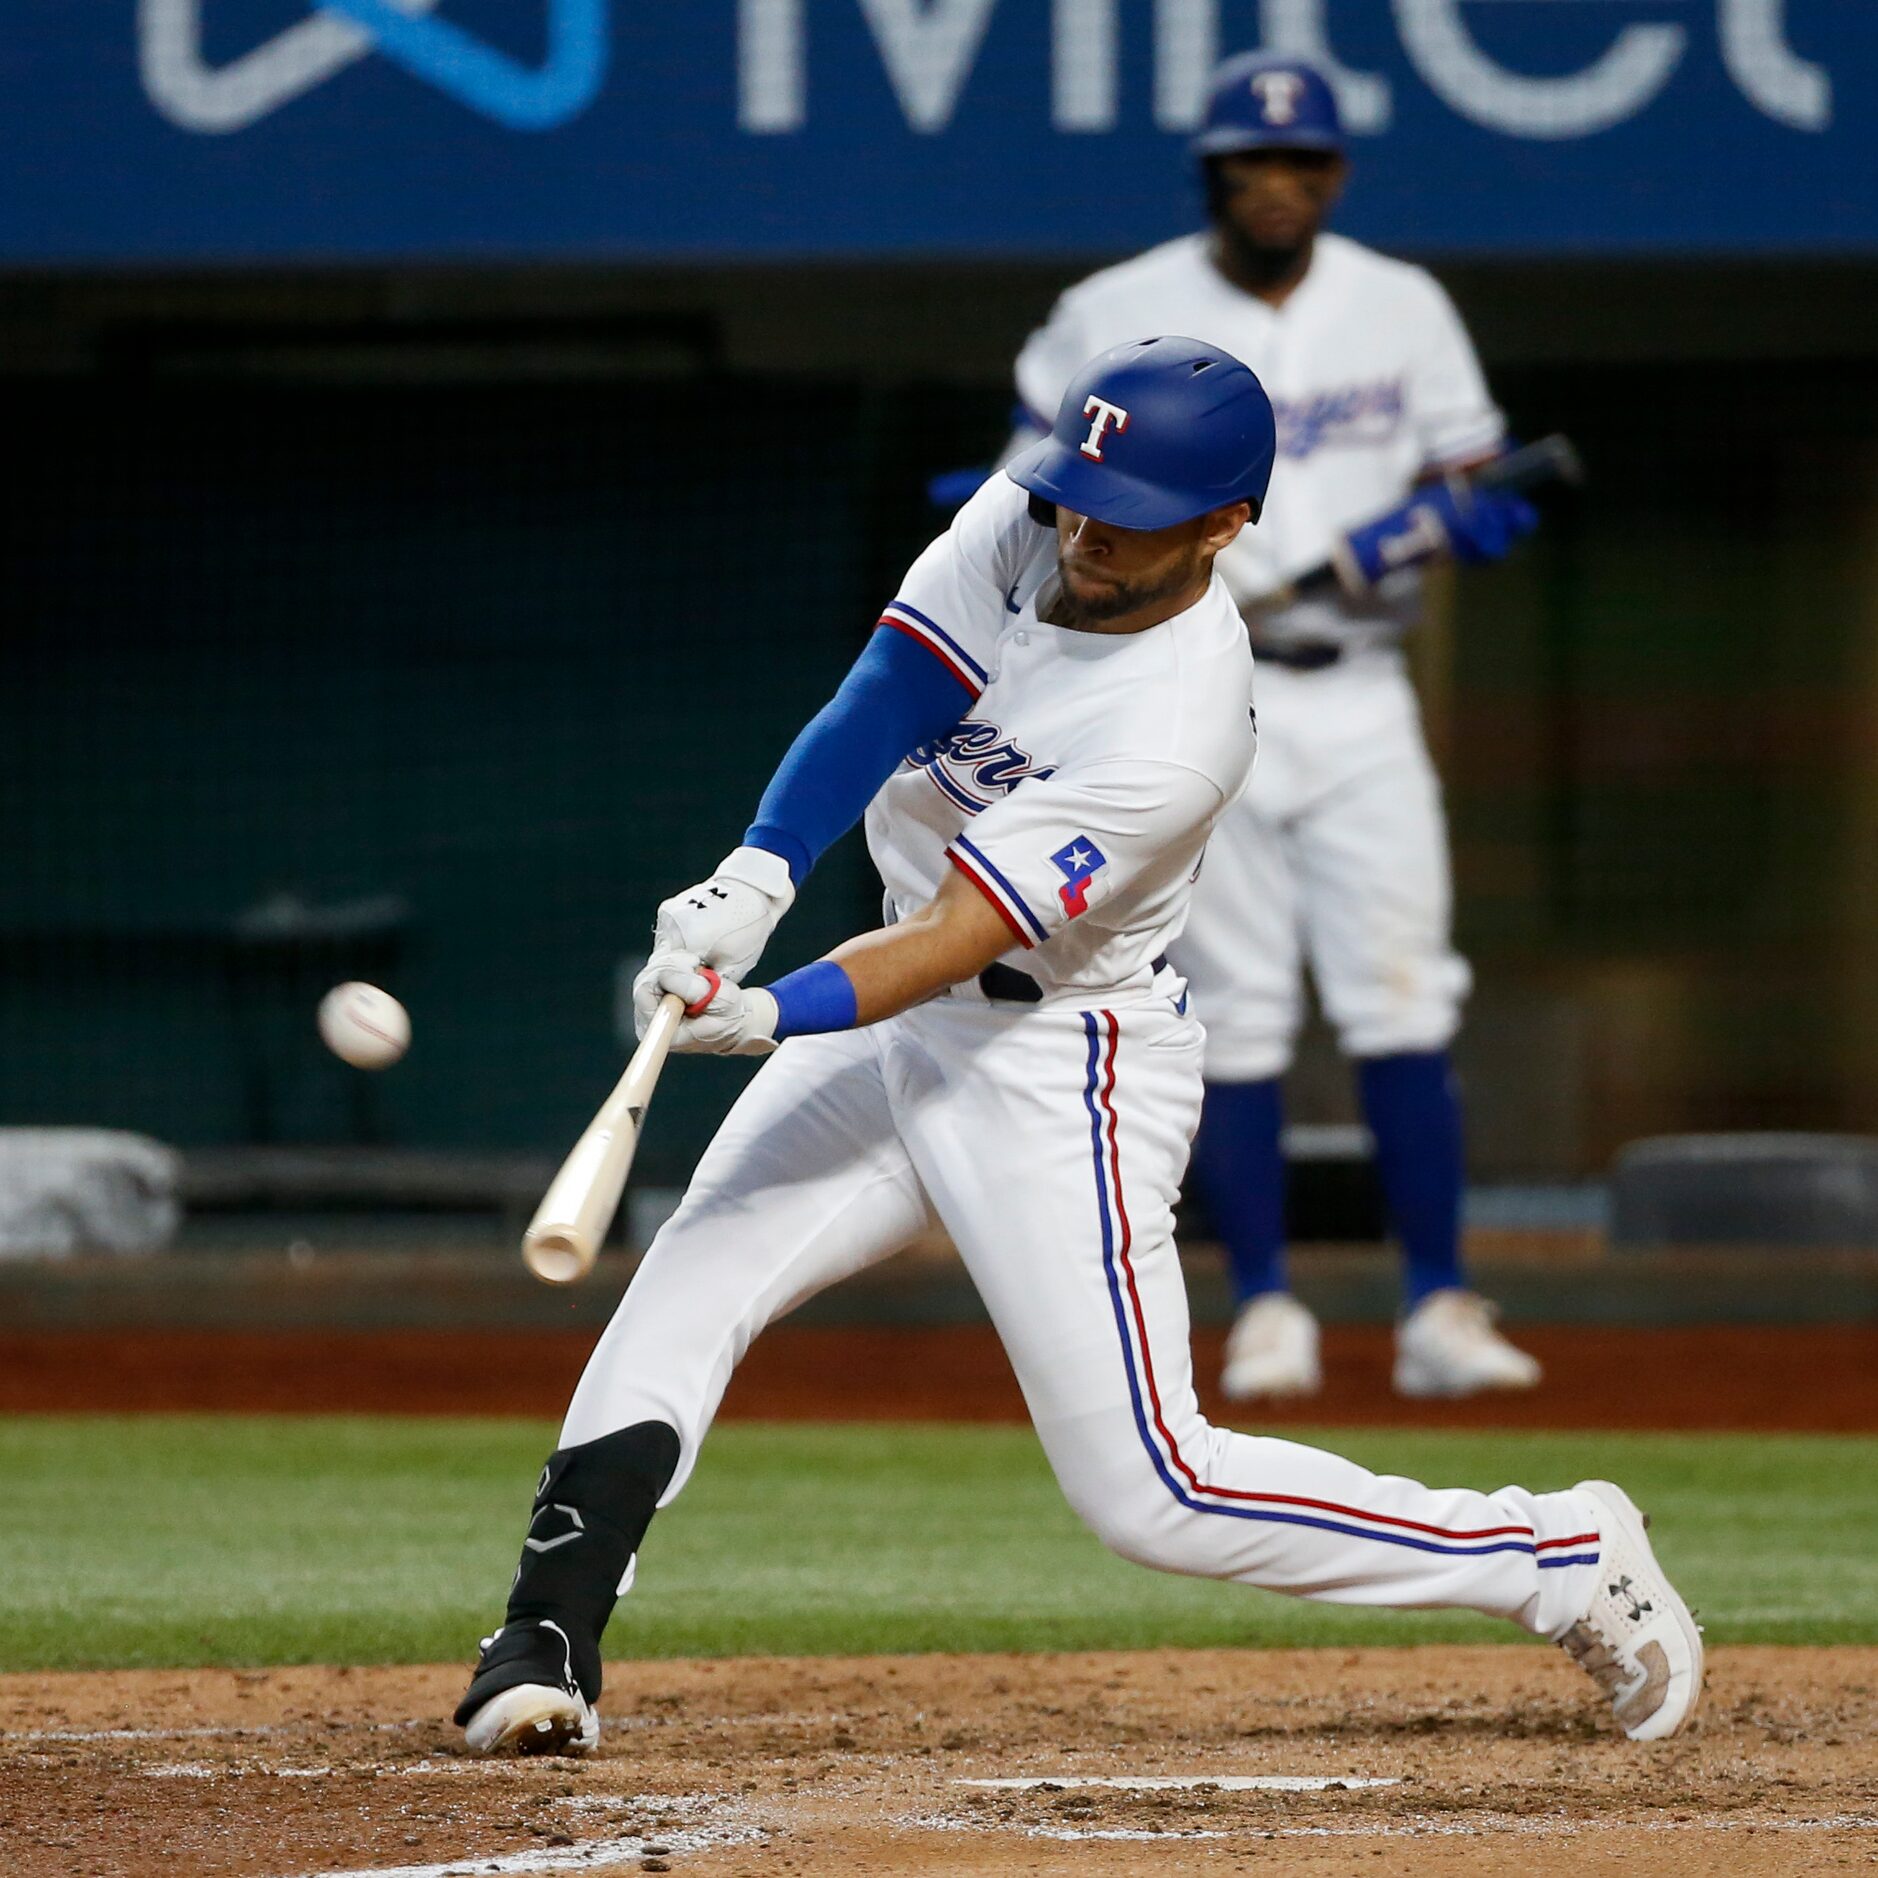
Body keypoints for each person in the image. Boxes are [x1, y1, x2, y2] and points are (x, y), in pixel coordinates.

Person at [453, 339, 1701, 1758]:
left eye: (1136, 508)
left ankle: (1553, 1553)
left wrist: (770, 1009)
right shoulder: (1033, 511)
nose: (1090, 528)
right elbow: (884, 692)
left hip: (1061, 1060)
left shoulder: (1176, 725)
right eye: (1080, 493)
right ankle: (542, 1637)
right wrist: (757, 870)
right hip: (893, 1008)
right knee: (695, 1266)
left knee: (1151, 1492)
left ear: (1226, 522)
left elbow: (958, 932)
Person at [1011, 52, 1545, 1403]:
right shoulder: (1115, 308)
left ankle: (1436, 1302)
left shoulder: (1398, 303)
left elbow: (1466, 469)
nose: (1276, 185)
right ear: (1211, 175)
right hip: (1194, 687)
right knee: (1237, 1012)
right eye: (1250, 163)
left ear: (1333, 175)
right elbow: (1025, 479)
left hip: (1359, 683)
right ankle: (1262, 1304)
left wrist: (1445, 516)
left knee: (1403, 992)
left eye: (1299, 163)